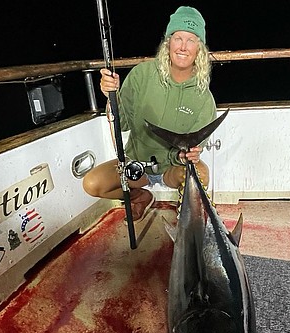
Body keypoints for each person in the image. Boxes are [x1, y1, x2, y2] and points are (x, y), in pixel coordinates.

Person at [83, 6, 216, 222]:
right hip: (137, 165)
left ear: (199, 49)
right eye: (177, 38)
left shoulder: (204, 99)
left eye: (191, 40)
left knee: (200, 173)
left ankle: (188, 219)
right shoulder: (141, 75)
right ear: (168, 43)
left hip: (171, 169)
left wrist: (186, 155)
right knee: (92, 184)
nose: (183, 46)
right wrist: (111, 96)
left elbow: (193, 150)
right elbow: (122, 123)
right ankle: (139, 196)